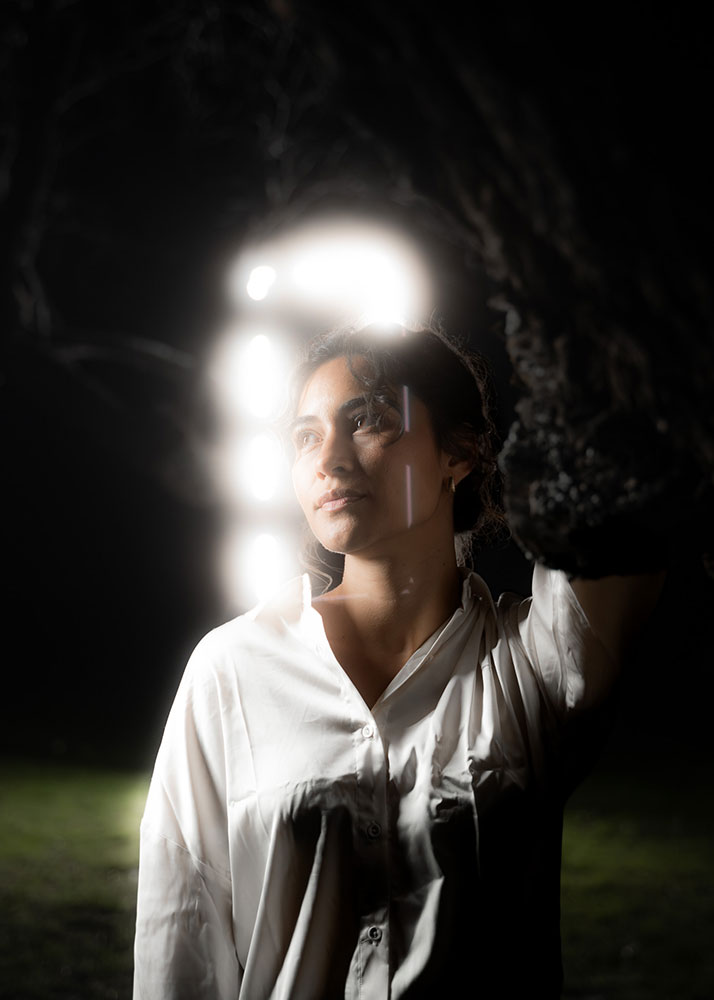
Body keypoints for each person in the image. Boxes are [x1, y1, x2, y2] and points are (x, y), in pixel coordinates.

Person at [133, 321, 664, 998]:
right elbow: (180, 940)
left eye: (368, 420)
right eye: (305, 436)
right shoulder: (232, 671)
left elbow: (636, 485)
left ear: (460, 451)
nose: (328, 458)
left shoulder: (538, 661)